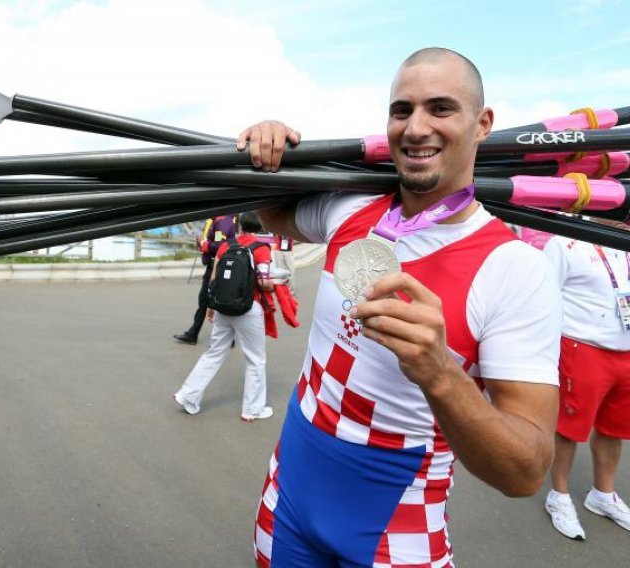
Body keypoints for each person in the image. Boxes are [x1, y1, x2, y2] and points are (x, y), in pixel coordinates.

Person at [237, 48, 562, 567]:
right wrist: (268, 145)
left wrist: (440, 374)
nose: (415, 128)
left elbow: (525, 472)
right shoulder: (352, 207)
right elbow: (272, 210)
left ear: (483, 125)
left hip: (397, 525)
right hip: (288, 497)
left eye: (440, 108)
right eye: (401, 110)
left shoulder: (515, 268)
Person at [542, 234, 630, 540]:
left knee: (613, 428)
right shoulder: (565, 241)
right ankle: (559, 496)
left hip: (625, 350)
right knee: (569, 427)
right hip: (581, 345)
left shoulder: (624, 239)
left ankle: (602, 494)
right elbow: (542, 297)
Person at [173, 212, 275, 421]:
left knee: (214, 353)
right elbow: (264, 283)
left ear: (240, 226)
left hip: (222, 307)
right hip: (248, 309)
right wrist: (276, 286)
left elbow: (214, 276)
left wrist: (212, 305)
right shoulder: (261, 249)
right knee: (255, 359)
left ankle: (188, 395)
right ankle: (252, 410)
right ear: (260, 225)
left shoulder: (226, 246)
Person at [174, 214, 236, 345]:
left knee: (209, 300)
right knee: (206, 300)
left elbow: (220, 245)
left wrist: (204, 244)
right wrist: (203, 243)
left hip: (217, 266)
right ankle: (194, 334)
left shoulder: (222, 221)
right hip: (214, 264)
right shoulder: (218, 220)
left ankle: (197, 335)